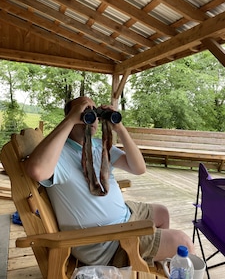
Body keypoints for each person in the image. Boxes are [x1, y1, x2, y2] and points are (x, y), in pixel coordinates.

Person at [24, 96, 195, 267]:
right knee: (183, 242)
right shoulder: (60, 154)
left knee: (162, 212)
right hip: (107, 242)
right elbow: (37, 170)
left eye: (94, 113)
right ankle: (145, 257)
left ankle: (150, 259)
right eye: (84, 112)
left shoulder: (99, 146)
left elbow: (139, 168)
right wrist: (70, 119)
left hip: (124, 218)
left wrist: (119, 128)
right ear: (71, 118)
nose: (91, 119)